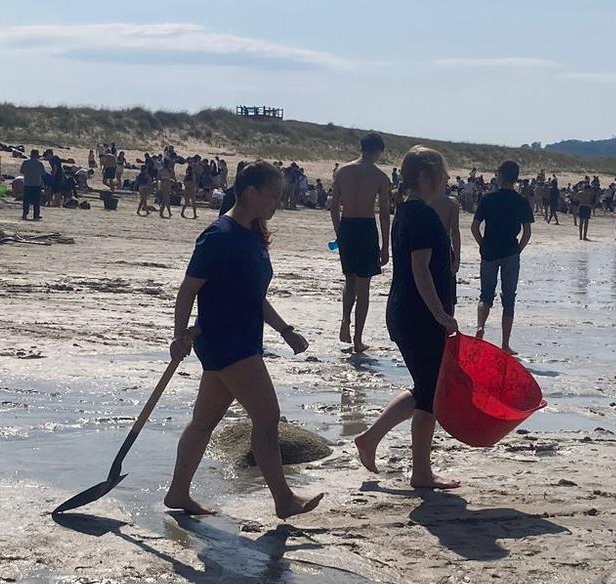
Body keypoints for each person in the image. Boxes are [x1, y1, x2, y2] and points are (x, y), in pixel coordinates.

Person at [163, 162, 321, 519]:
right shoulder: (218, 236)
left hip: (239, 339)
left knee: (203, 422)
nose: (278, 203)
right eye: (274, 195)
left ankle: (177, 492)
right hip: (226, 341)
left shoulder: (252, 234)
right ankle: (284, 500)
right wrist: (179, 334)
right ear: (252, 192)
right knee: (267, 418)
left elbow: (254, 296)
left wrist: (285, 330)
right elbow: (188, 290)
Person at [356, 147, 460, 492]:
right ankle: (421, 472)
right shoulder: (421, 216)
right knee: (429, 394)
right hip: (418, 316)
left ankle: (370, 439)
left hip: (407, 312)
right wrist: (440, 314)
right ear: (427, 178)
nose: (446, 182)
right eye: (442, 176)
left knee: (425, 387)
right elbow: (420, 270)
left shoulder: (409, 211)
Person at [330, 133, 394, 354]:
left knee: (350, 279)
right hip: (366, 227)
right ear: (377, 151)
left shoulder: (343, 171)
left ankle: (345, 320)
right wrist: (386, 246)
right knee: (363, 286)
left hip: (347, 224)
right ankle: (357, 339)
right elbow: (385, 214)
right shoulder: (380, 177)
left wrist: (340, 233)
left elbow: (333, 206)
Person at [472, 160, 534, 354]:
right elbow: (527, 232)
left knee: (485, 295)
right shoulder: (521, 201)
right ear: (516, 178)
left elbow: (474, 227)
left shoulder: (488, 199)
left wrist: (483, 244)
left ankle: (480, 326)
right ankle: (505, 344)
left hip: (490, 251)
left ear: (499, 175)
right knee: (509, 298)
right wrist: (518, 250)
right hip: (510, 252)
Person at [20, 150, 47, 221]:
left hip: (27, 184)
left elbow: (21, 171)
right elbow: (44, 173)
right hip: (36, 184)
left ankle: (24, 214)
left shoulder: (25, 162)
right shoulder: (40, 163)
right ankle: (36, 215)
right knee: (36, 201)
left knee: (26, 200)